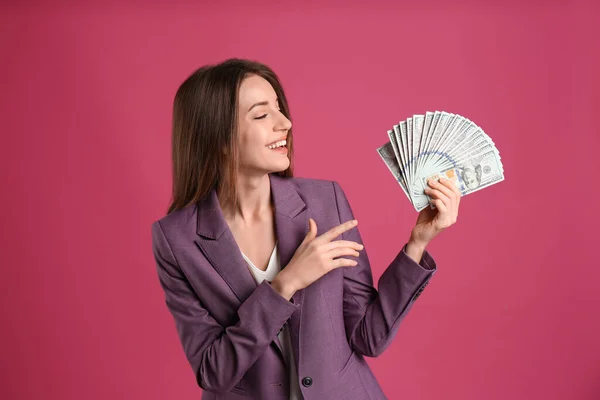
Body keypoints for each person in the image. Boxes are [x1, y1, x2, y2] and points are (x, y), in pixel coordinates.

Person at [150, 58, 461, 400]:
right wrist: (285, 284)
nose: (285, 123)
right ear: (218, 136)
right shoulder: (176, 240)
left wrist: (417, 245)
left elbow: (367, 337)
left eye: (279, 108)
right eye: (261, 114)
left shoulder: (324, 200)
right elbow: (214, 371)